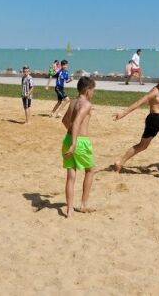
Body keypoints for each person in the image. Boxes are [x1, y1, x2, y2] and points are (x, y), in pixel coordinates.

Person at [61, 76, 96, 218]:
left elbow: (65, 121)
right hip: (80, 141)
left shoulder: (72, 102)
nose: (93, 93)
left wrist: (71, 137)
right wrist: (75, 142)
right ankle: (83, 205)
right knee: (90, 170)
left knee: (71, 175)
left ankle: (69, 209)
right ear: (87, 90)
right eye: (93, 90)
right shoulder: (86, 104)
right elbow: (76, 122)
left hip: (68, 138)